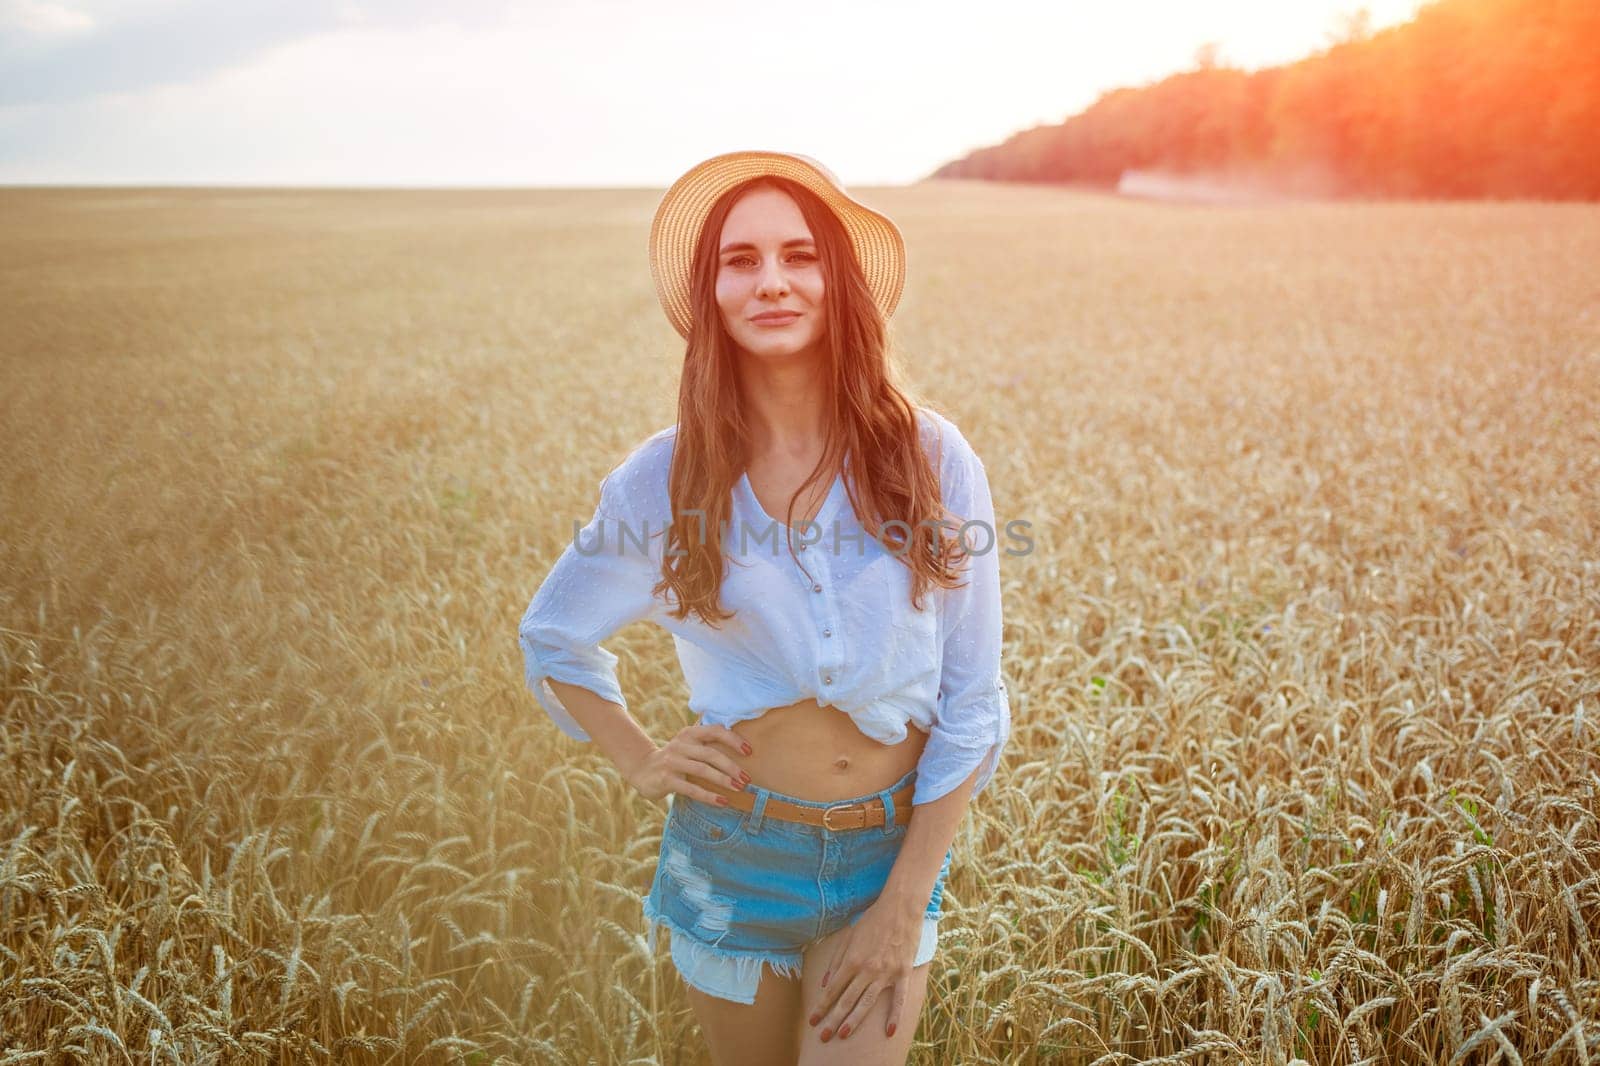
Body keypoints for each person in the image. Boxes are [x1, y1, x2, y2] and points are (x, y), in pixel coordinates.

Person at [517, 150, 1011, 1065]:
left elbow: (973, 698)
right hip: (730, 857)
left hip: (885, 860)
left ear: (838, 279)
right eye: (740, 261)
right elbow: (553, 636)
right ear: (711, 294)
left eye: (800, 254)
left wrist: (908, 899)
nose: (772, 281)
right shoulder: (659, 481)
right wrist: (639, 758)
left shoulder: (932, 458)